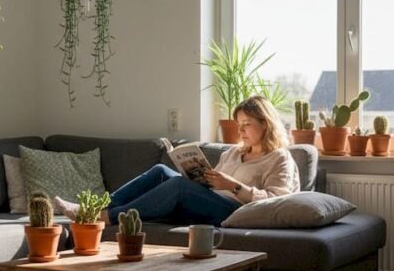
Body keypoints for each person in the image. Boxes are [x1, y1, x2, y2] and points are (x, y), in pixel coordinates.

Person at [54, 95, 300, 226]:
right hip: (213, 201)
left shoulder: (279, 158)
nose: (241, 130)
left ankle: (107, 217)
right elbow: (214, 186)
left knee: (178, 186)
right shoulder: (233, 152)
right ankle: (94, 209)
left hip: (235, 212)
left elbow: (277, 202)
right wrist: (203, 177)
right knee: (162, 170)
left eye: (247, 124)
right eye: (239, 125)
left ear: (265, 124)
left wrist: (234, 186)